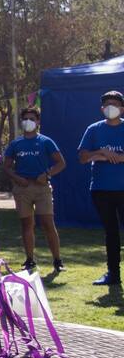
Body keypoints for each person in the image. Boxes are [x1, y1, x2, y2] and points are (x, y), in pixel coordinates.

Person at [3, 106, 66, 272]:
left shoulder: (46, 141)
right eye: (25, 119)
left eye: (32, 119)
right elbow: (7, 167)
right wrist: (17, 178)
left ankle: (57, 260)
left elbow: (61, 163)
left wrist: (47, 175)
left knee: (47, 223)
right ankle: (30, 259)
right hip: (22, 188)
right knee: (26, 224)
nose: (28, 122)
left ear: (38, 122)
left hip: (42, 188)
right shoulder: (16, 144)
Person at [78, 90, 124, 287]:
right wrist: (101, 152)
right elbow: (83, 157)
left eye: (114, 104)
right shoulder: (93, 129)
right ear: (101, 108)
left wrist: (118, 158)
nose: (110, 107)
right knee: (111, 232)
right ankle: (113, 274)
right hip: (101, 190)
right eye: (107, 104)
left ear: (122, 108)